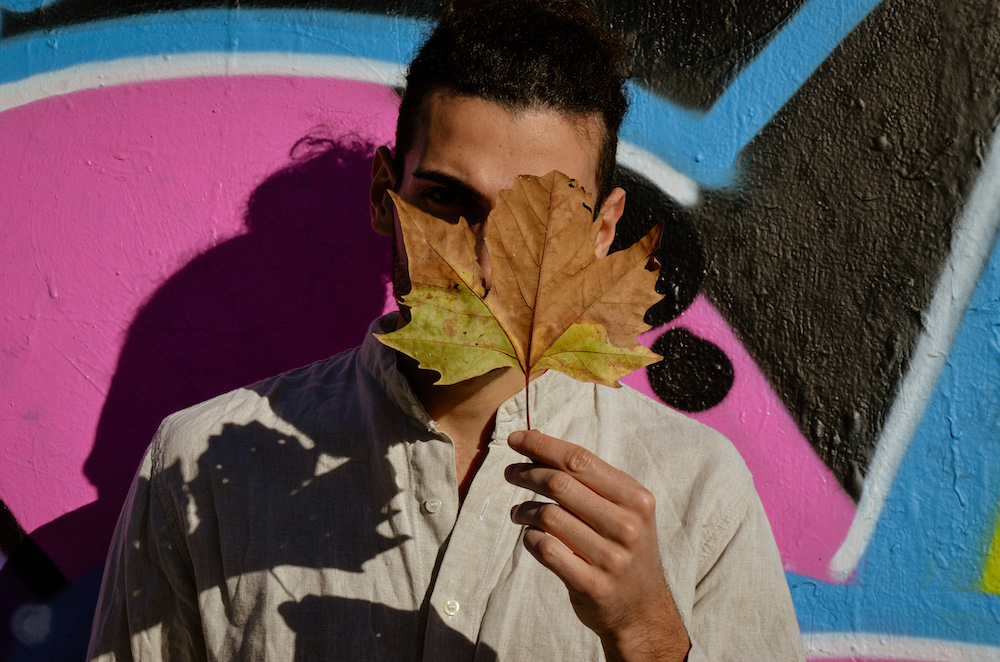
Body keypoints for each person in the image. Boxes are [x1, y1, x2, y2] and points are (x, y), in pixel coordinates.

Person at [88, 1, 805, 660]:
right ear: (385, 195)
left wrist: (649, 637)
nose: (485, 264)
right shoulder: (197, 471)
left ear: (602, 230)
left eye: (542, 219)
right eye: (445, 202)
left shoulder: (697, 490)